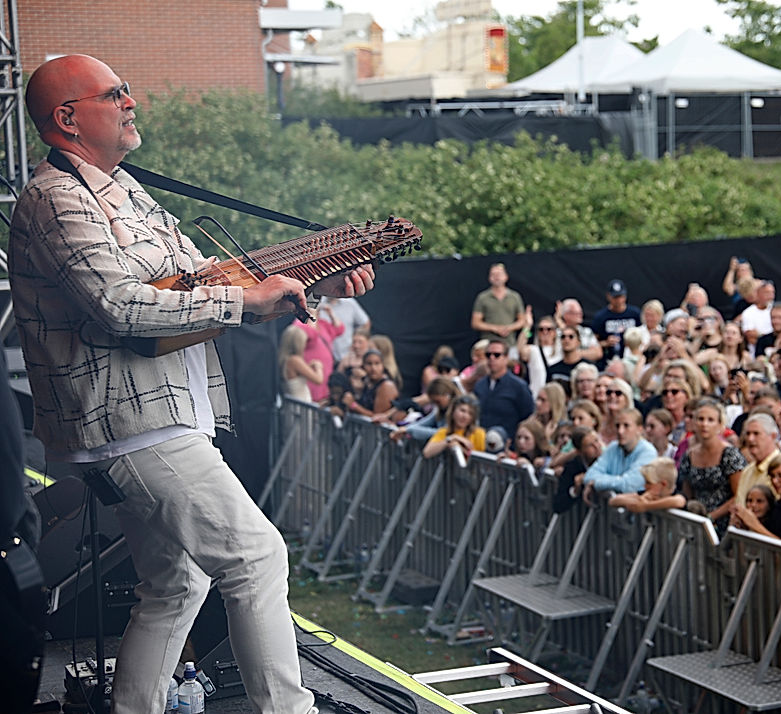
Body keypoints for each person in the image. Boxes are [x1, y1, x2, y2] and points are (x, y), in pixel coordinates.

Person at [10, 54, 376, 714]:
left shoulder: (122, 189)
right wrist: (251, 303)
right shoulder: (55, 200)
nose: (131, 102)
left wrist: (309, 281)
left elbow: (206, 279)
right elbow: (119, 306)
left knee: (175, 583)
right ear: (68, 117)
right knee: (256, 556)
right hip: (127, 424)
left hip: (163, 415)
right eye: (115, 93)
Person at [677, 398, 747, 533]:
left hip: (726, 524)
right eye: (700, 419)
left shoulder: (730, 454)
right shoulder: (689, 456)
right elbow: (688, 493)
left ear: (720, 424)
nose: (704, 424)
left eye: (710, 420)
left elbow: (739, 494)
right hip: (696, 524)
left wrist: (711, 517)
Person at [582, 408, 659, 495]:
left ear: (639, 429)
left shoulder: (648, 452)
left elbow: (629, 485)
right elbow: (589, 475)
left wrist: (596, 483)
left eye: (626, 426)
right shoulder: (613, 447)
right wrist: (618, 480)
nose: (620, 431)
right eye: (617, 426)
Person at [473, 338, 534, 442]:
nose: (492, 358)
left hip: (508, 445)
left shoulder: (519, 387)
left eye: (497, 355)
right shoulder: (479, 385)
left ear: (506, 358)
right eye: (488, 355)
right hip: (481, 443)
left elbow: (528, 417)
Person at [471, 262, 525, 346]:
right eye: (493, 274)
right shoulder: (482, 297)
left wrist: (509, 328)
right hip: (487, 344)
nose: (496, 277)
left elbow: (522, 320)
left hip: (509, 343)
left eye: (499, 274)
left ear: (506, 277)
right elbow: (475, 323)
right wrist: (495, 329)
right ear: (489, 278)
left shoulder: (515, 297)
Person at [608, 457, 687, 513]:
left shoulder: (676, 494)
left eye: (649, 483)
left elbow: (678, 501)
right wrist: (639, 500)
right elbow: (614, 501)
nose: (645, 486)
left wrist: (645, 506)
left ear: (663, 484)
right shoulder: (646, 494)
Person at [422, 394, 487, 458]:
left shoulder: (479, 433)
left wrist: (460, 449)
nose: (465, 416)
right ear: (453, 411)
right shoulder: (444, 431)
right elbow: (426, 452)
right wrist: (450, 439)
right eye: (462, 410)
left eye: (470, 413)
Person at [592, 279, 641, 363]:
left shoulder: (635, 314)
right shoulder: (601, 317)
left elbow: (644, 334)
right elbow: (592, 342)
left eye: (620, 296)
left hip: (633, 358)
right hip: (609, 359)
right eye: (615, 297)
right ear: (608, 296)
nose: (618, 300)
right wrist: (606, 343)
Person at [278, 324, 323, 402]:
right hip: (300, 406)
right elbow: (319, 380)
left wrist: (308, 367)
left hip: (292, 405)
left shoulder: (284, 360)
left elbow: (295, 376)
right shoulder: (294, 360)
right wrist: (318, 367)